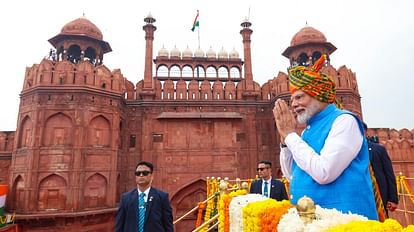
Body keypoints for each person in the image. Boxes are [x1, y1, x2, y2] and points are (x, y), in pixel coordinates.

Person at [273, 54, 378, 220]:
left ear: (318, 94)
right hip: (313, 221)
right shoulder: (309, 130)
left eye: (299, 97)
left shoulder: (344, 121)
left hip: (345, 222)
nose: (293, 104)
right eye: (292, 99)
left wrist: (291, 136)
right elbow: (292, 175)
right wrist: (285, 143)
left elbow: (324, 172)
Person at [115, 161, 173, 232]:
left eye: (145, 173)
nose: (141, 175)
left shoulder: (162, 197)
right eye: (138, 173)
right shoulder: (126, 198)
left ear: (152, 175)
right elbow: (119, 225)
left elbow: (168, 225)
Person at [363, 122, 399, 216]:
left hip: (379, 196)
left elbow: (389, 174)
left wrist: (393, 199)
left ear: (365, 133)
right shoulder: (350, 152)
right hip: (360, 196)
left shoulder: (378, 149)